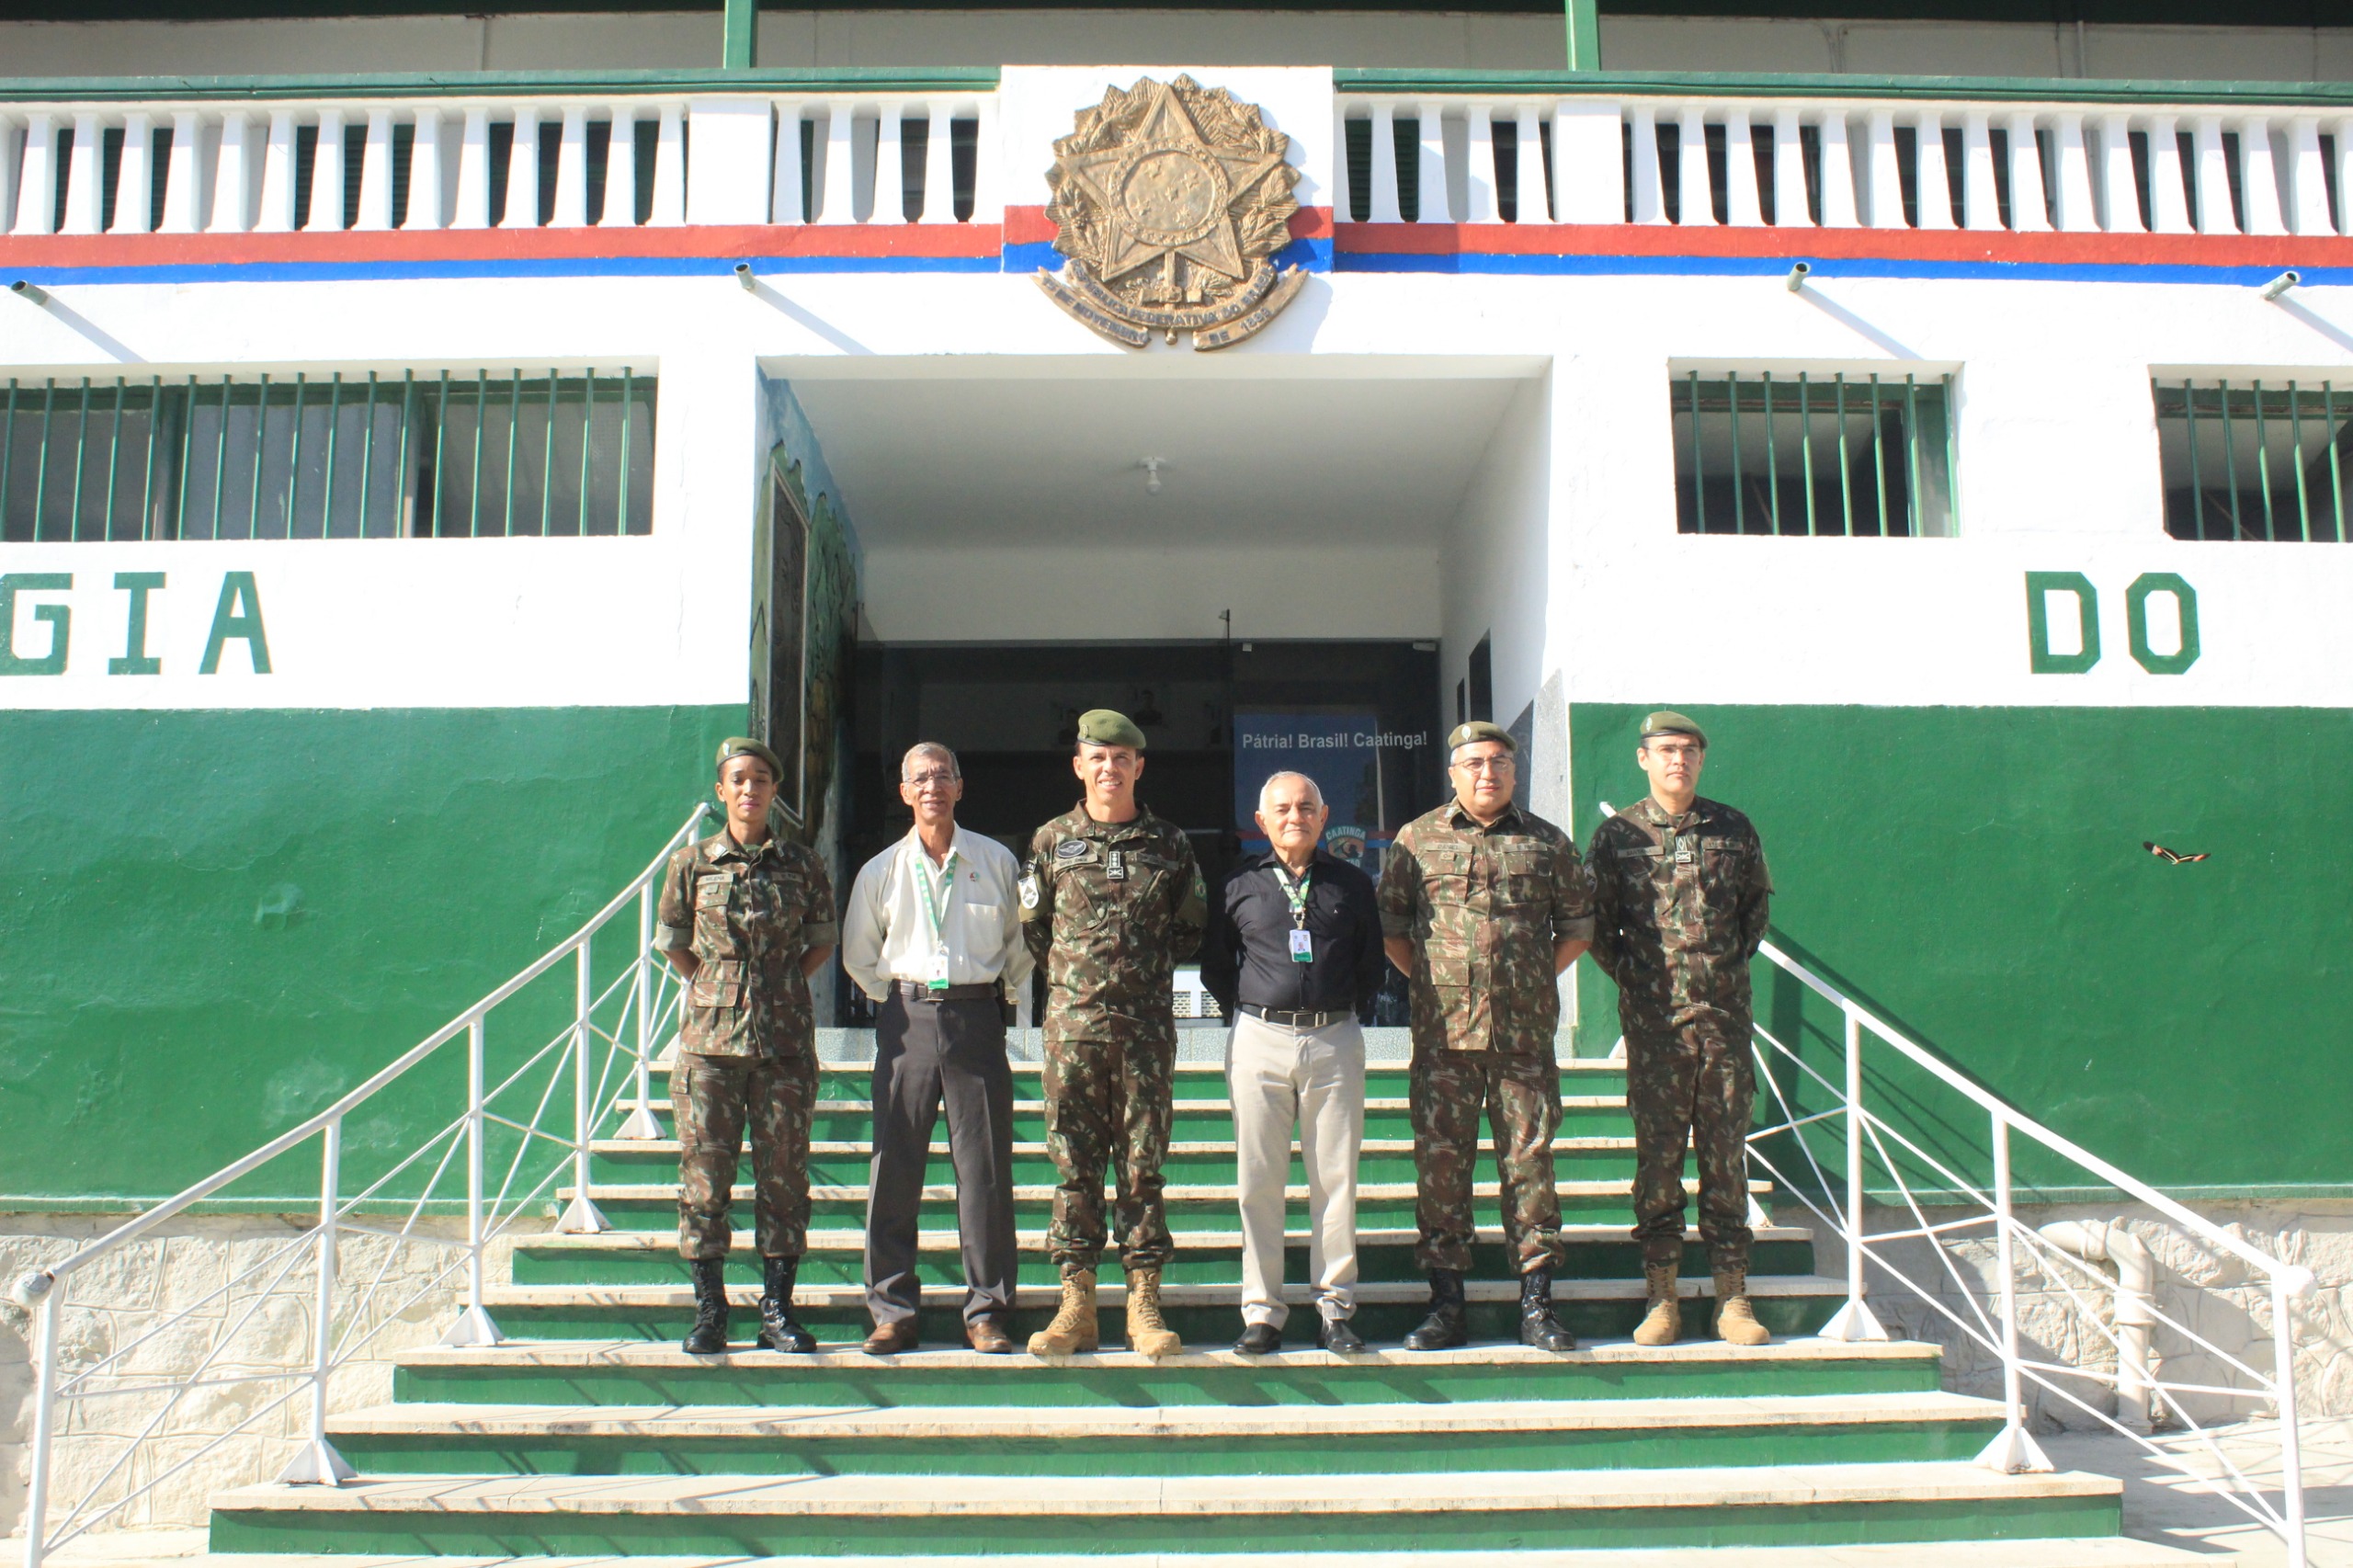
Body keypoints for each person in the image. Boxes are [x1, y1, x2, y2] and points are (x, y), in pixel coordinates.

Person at [1376, 721, 1593, 1353]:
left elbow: (1576, 928)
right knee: (1442, 1171)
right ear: (1453, 772)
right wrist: (1441, 988)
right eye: (1473, 763)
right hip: (1444, 1042)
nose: (1487, 773)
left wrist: (1522, 984)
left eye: (1498, 761)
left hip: (1522, 1043)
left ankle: (1537, 1306)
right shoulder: (1417, 840)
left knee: (1530, 1167)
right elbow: (1394, 932)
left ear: (1515, 770)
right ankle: (1446, 1307)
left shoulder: (1548, 843)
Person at [1018, 710, 1208, 1358]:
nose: (1109, 768)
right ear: (1079, 765)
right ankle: (1076, 1303)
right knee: (1074, 1168)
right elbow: (1035, 929)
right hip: (1073, 1033)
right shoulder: (1051, 842)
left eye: (1121, 758)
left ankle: (1143, 1304)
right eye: (1097, 757)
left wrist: (1138, 979)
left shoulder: (1169, 845)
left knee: (1141, 1170)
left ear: (1138, 767)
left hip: (1145, 1036)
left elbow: (1190, 929)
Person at [1587, 710, 1775, 1348]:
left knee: (1726, 1160)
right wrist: (1646, 983)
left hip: (1723, 1023)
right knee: (1659, 1163)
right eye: (1667, 749)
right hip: (1656, 1028)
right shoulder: (1616, 836)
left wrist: (1715, 978)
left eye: (1690, 750)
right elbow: (1598, 927)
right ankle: (1662, 1295)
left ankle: (1732, 1297)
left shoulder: (1733, 829)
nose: (1679, 760)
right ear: (1644, 758)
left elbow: (1753, 916)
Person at [841, 742, 1031, 1356]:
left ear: (960, 786)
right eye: (920, 778)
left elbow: (1021, 942)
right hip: (907, 1020)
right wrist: (901, 1000)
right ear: (904, 792)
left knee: (985, 1171)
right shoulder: (880, 872)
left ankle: (987, 1312)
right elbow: (858, 954)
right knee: (895, 1167)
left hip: (977, 1018)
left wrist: (995, 995)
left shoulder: (996, 861)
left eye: (942, 776)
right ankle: (893, 1311)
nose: (932, 787)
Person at [654, 737, 838, 1356]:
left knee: (783, 1178)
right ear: (721, 791)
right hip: (709, 1046)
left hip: (784, 1044)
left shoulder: (803, 865)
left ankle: (776, 1311)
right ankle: (711, 1312)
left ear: (774, 790)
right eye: (739, 780)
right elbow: (676, 945)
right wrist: (720, 988)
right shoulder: (690, 865)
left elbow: (819, 944)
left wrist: (776, 987)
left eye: (761, 779)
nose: (750, 790)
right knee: (705, 1179)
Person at [1201, 771, 1384, 1356]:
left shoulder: (1352, 885)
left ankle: (1335, 1308)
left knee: (1336, 1180)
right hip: (1259, 1039)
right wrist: (1259, 1009)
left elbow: (1370, 964)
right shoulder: (1237, 885)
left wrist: (1333, 1006)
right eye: (1281, 809)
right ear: (1261, 821)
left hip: (1334, 1040)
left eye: (1306, 806)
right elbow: (1215, 965)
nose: (1294, 816)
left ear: (1324, 815)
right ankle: (1263, 1311)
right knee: (1259, 1182)